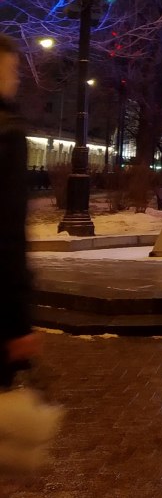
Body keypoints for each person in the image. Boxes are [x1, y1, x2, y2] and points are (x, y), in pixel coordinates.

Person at [0, 34, 38, 387]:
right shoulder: (8, 131)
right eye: (12, 69)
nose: (16, 78)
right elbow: (8, 234)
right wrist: (17, 325)